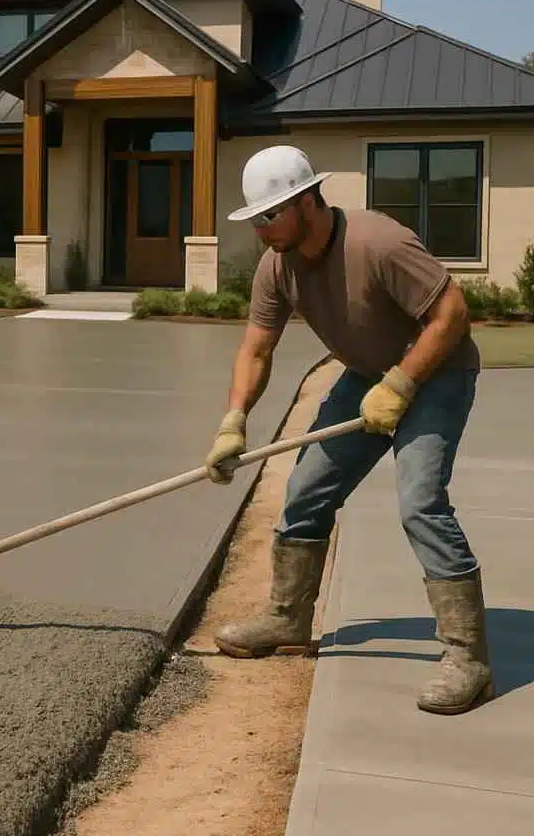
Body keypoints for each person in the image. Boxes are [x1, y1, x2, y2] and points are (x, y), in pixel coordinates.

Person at [205, 144, 491, 715]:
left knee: (420, 503)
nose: (262, 230)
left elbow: (453, 314)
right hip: (364, 376)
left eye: (270, 216)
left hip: (436, 374)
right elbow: (257, 348)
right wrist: (234, 419)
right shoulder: (277, 265)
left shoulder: (377, 241)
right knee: (307, 490)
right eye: (256, 219)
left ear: (307, 200)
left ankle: (469, 657)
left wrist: (404, 383)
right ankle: (288, 618)